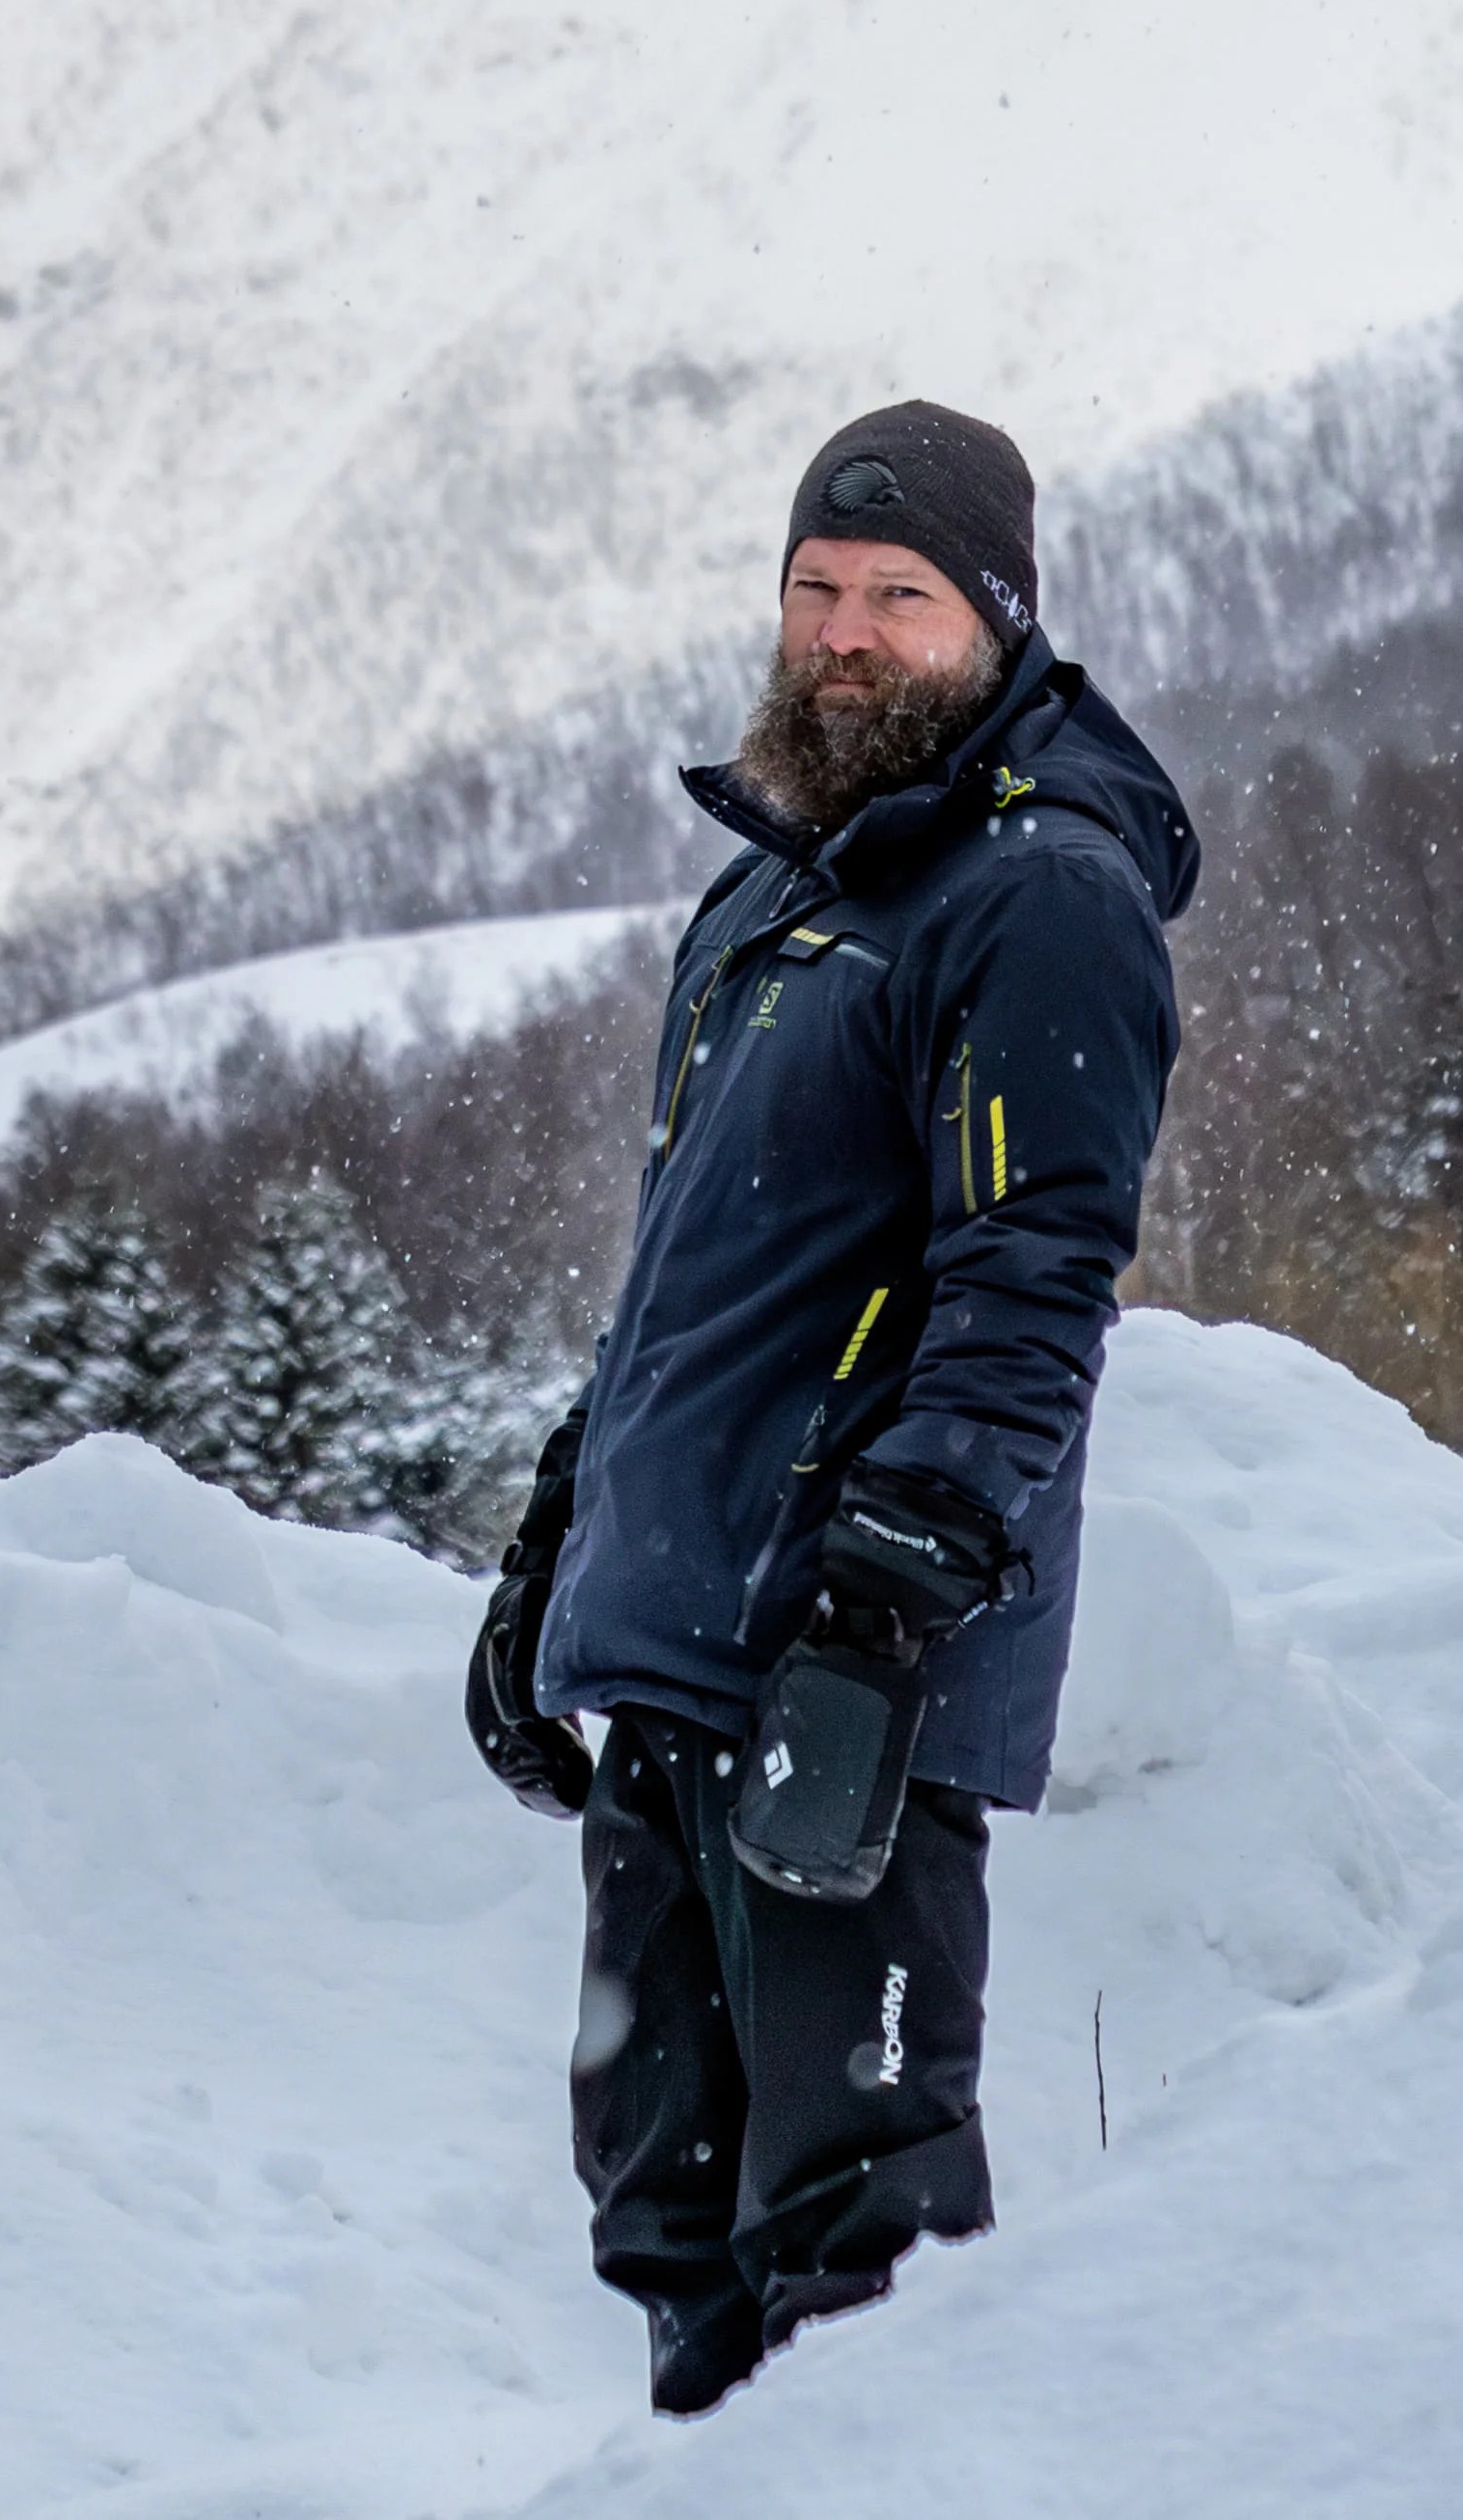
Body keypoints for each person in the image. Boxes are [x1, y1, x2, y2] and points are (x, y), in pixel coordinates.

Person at [463, 399, 1192, 2415]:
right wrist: (552, 1556)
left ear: (996, 619)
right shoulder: (772, 903)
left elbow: (1030, 1277)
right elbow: (681, 1285)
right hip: (678, 1654)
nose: (842, 633)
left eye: (896, 594)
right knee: (667, 2218)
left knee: (854, 2234)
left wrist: (886, 1587)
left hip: (843, 1673)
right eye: (812, 590)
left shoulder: (1032, 892)